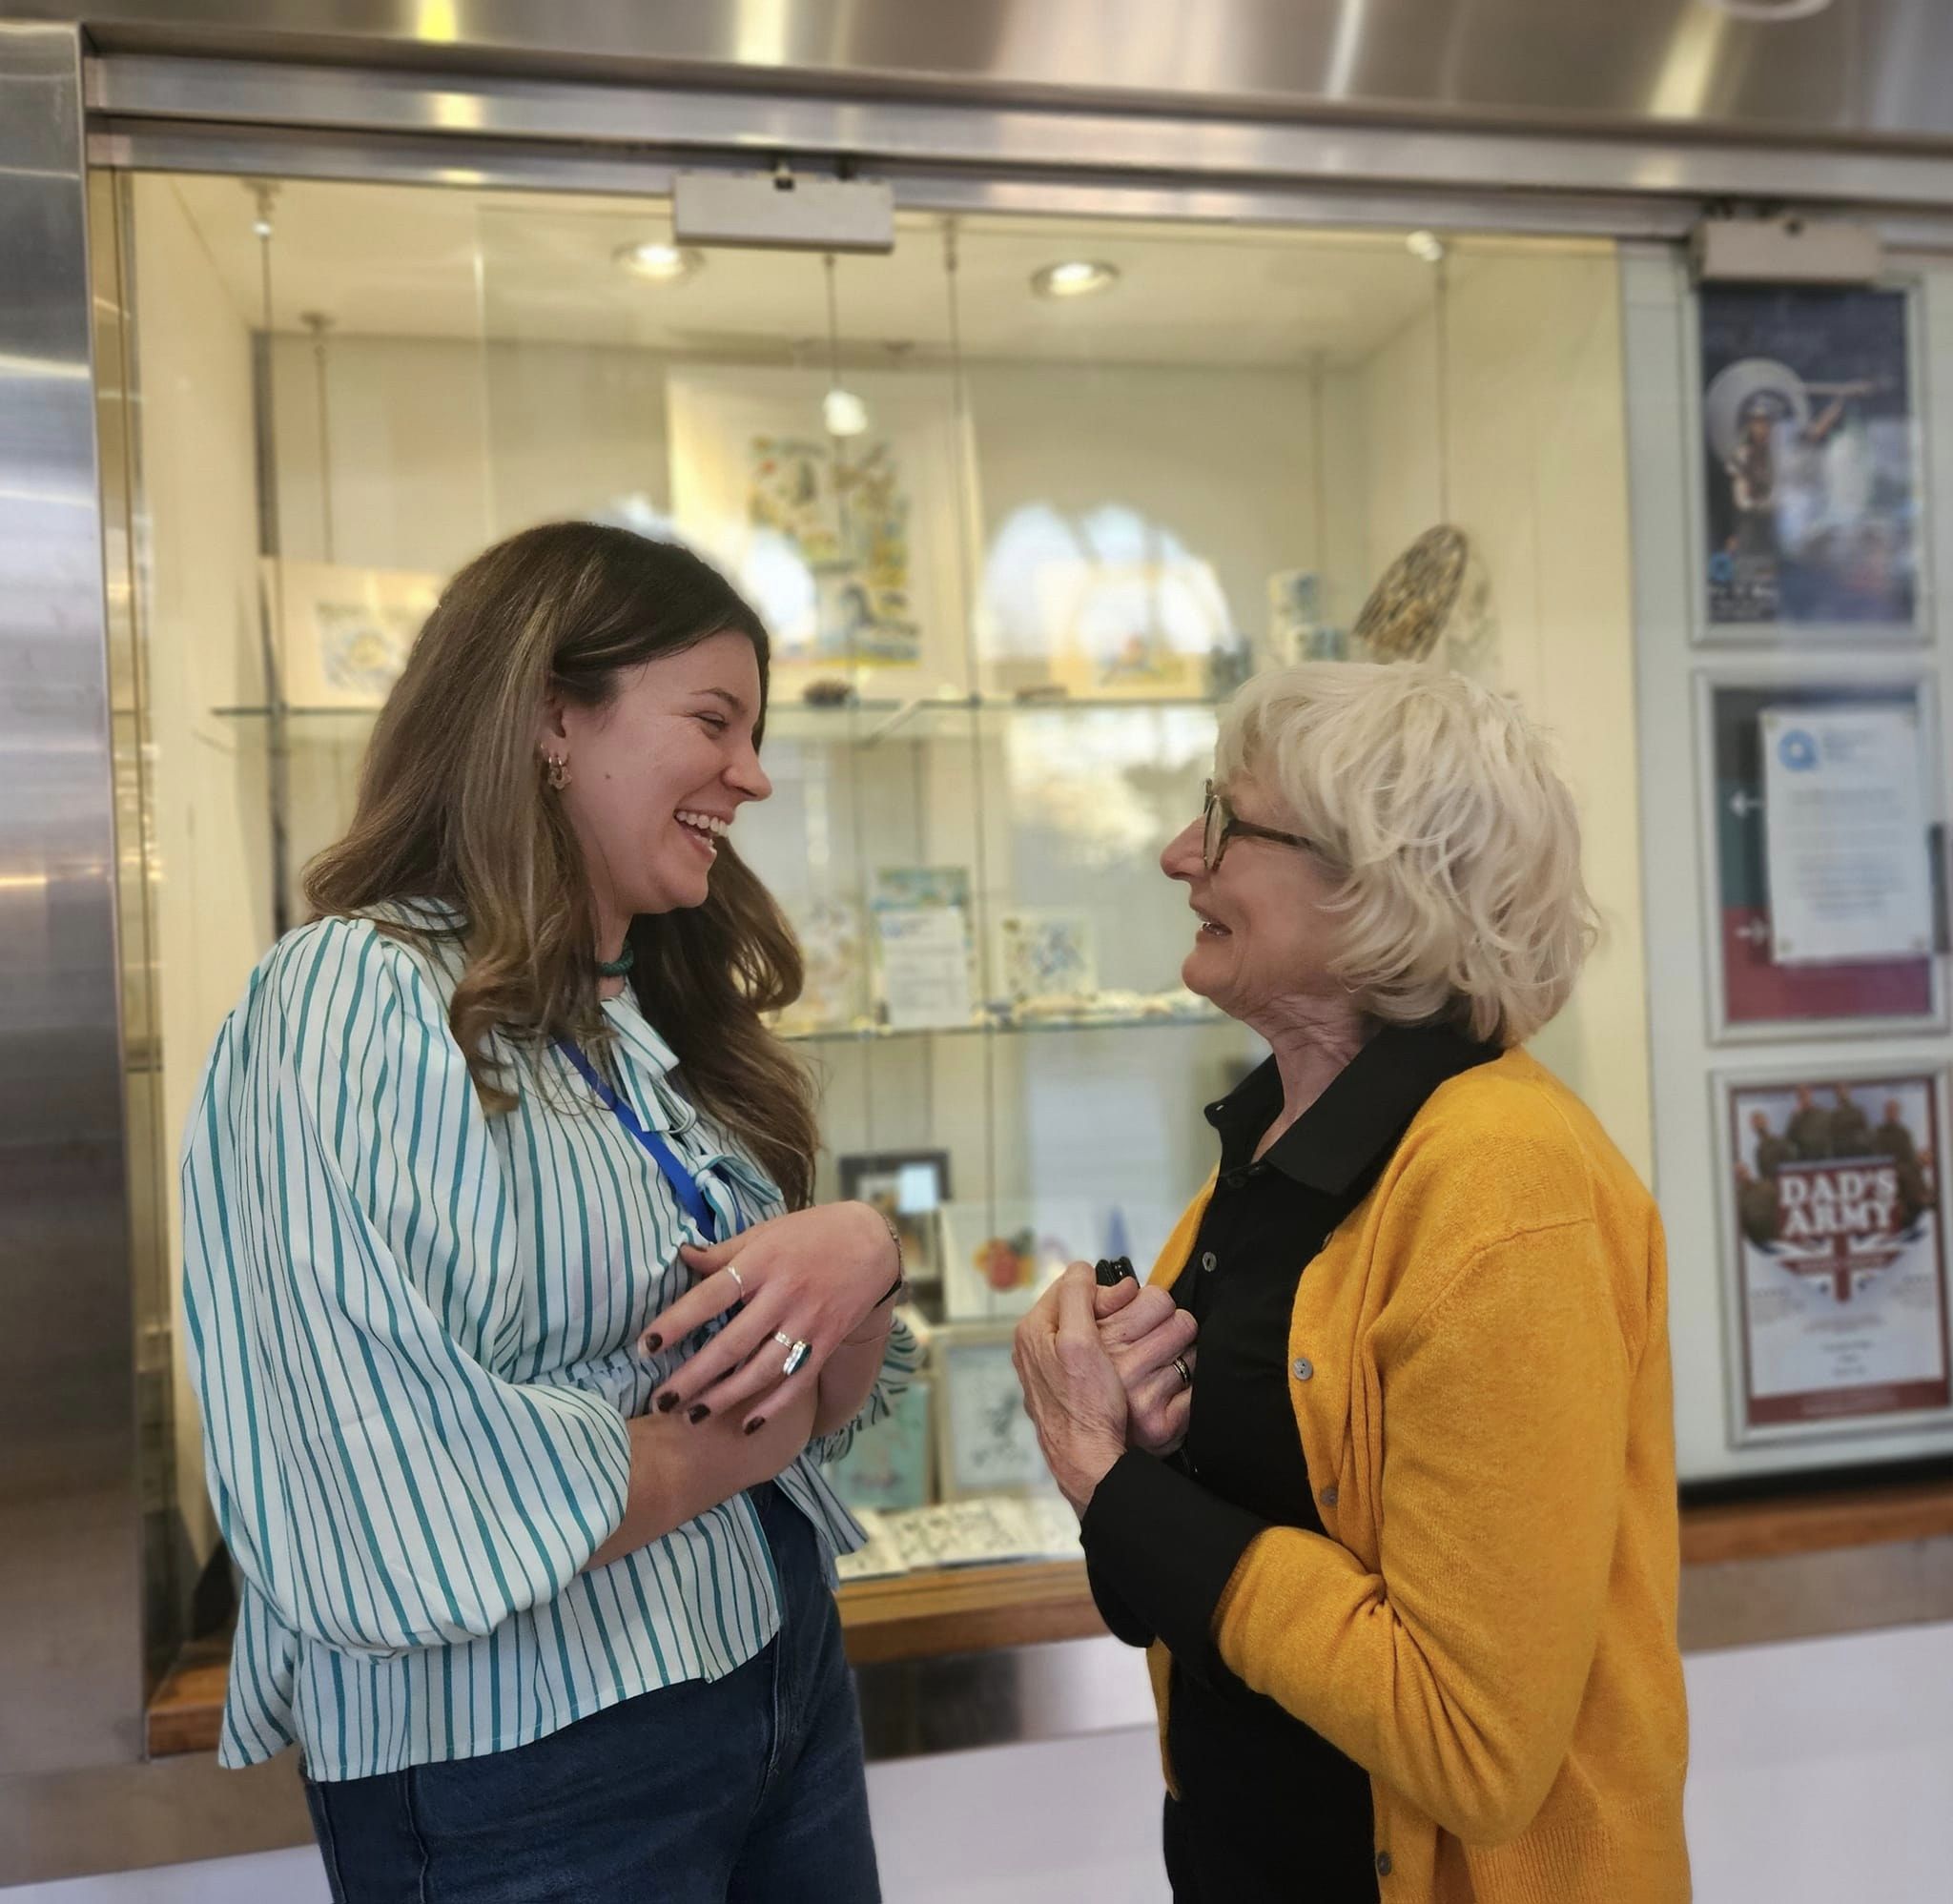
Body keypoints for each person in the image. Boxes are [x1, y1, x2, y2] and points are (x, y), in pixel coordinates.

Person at [182, 522, 915, 1903]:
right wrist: (724, 1447)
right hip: (528, 1765)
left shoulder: (645, 1016)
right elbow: (383, 1506)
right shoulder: (354, 993)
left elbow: (820, 1404)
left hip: (774, 1668)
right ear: (548, 714)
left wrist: (866, 1254)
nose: (752, 776)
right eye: (714, 720)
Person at [1012, 663, 1690, 1902]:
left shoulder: (1504, 1183)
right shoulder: (1274, 1140)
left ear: (1374, 880)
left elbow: (1471, 1744)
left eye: (1223, 823)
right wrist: (1126, 1450)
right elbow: (1151, 1580)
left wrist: (1116, 1481)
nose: (1177, 854)